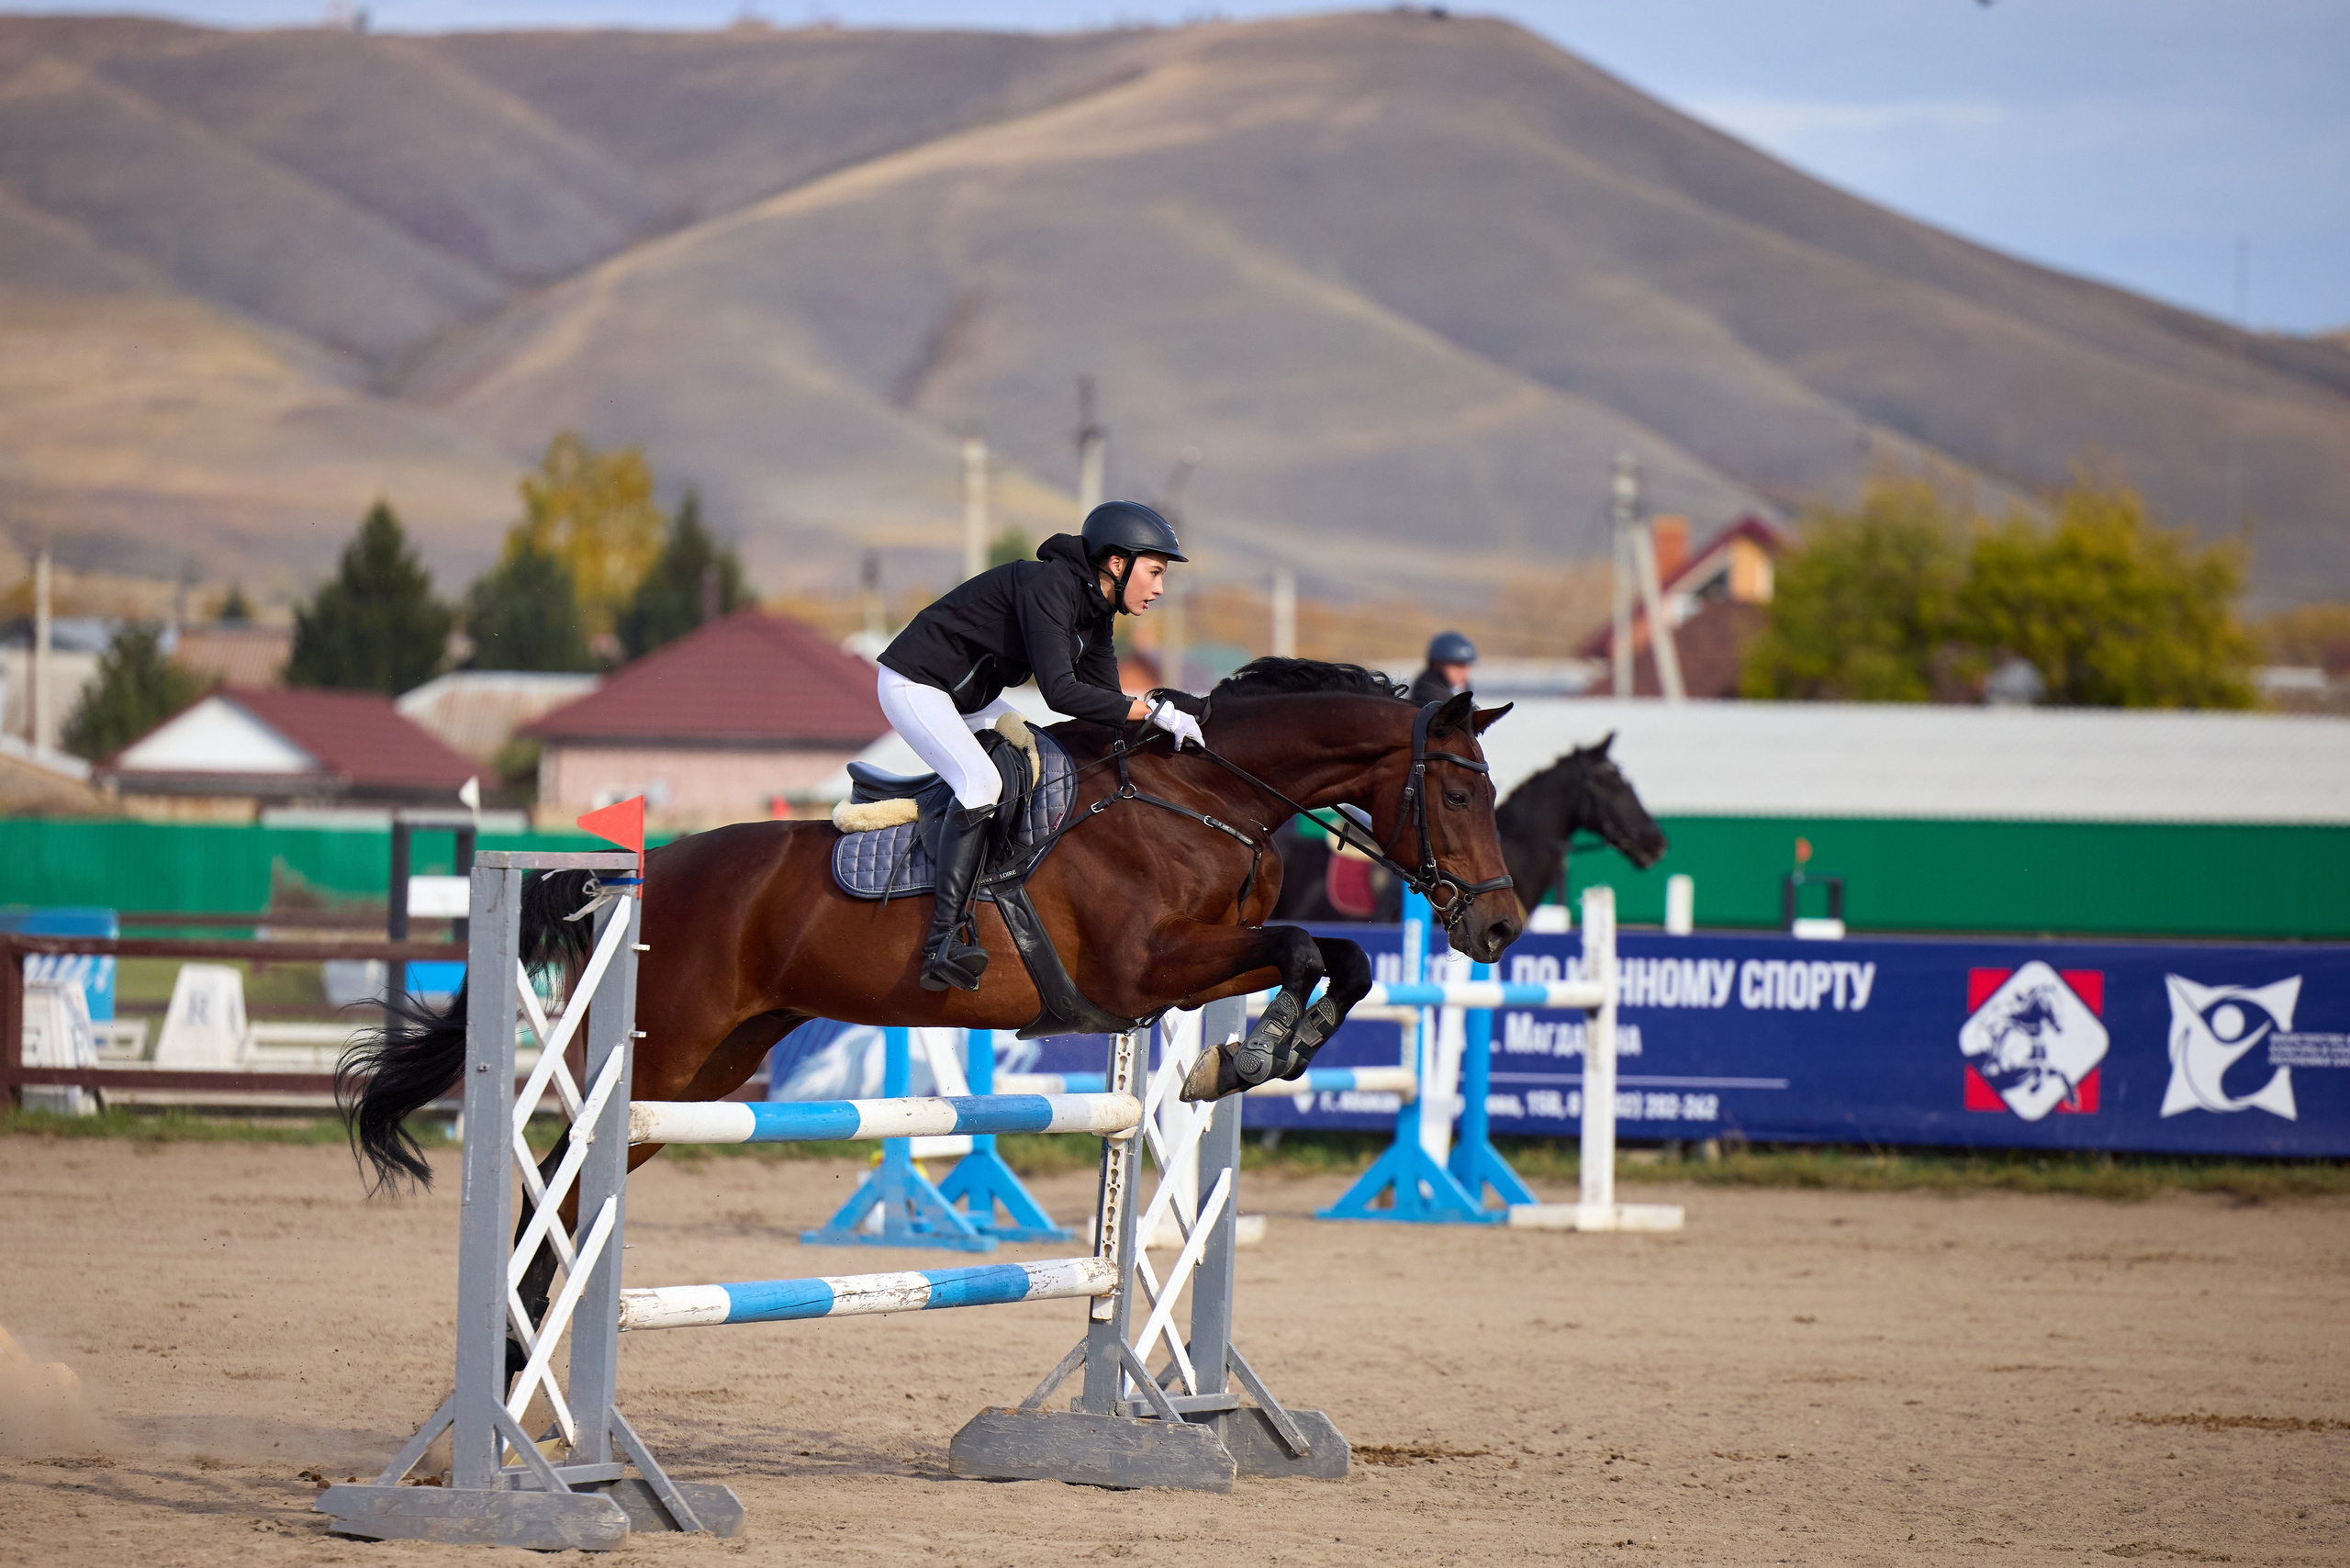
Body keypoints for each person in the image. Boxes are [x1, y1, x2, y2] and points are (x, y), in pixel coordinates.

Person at [876, 500, 1203, 992]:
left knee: (1034, 755)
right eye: (1154, 572)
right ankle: (942, 941)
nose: (1158, 588)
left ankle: (995, 885)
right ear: (1118, 564)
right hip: (916, 685)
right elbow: (1062, 692)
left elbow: (1105, 707)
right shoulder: (1051, 587)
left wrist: (1164, 732)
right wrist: (1153, 710)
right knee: (982, 781)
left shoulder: (1097, 614)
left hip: (965, 699)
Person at [1408, 630, 1478, 707]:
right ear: (1437, 665)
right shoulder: (1428, 692)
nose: (1463, 671)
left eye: (1466, 665)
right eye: (1457, 665)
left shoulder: (1457, 687)